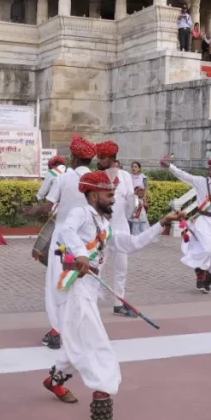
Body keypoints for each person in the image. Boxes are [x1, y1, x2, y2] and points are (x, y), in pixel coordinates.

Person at [42, 170, 183, 420]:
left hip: (88, 295)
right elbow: (66, 230)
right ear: (94, 195)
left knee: (76, 347)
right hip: (76, 294)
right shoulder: (81, 213)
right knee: (101, 355)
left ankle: (53, 380)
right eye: (109, 195)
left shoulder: (103, 225)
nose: (114, 200)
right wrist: (81, 253)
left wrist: (160, 224)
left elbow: (129, 244)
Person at [40, 135, 96, 350]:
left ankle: (57, 330)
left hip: (63, 240)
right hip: (89, 241)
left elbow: (47, 207)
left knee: (58, 284)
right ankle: (82, 329)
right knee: (84, 284)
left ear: (73, 157)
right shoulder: (96, 179)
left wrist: (31, 210)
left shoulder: (64, 178)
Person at [159, 156, 211, 293]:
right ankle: (199, 270)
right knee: (207, 249)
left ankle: (207, 278)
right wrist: (170, 166)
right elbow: (183, 175)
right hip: (201, 221)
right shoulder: (200, 182)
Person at [95, 141, 136, 317]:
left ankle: (119, 303)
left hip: (122, 229)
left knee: (122, 268)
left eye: (101, 158)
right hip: (102, 231)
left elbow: (130, 207)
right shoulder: (96, 176)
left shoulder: (126, 176)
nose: (98, 160)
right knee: (97, 267)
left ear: (111, 158)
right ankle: (90, 301)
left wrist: (135, 199)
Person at [129, 162, 149, 235]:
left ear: (139, 168)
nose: (134, 168)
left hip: (139, 201)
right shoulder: (129, 176)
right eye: (132, 166)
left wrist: (144, 198)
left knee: (139, 218)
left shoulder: (143, 177)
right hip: (130, 200)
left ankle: (140, 235)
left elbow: (146, 188)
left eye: (135, 167)